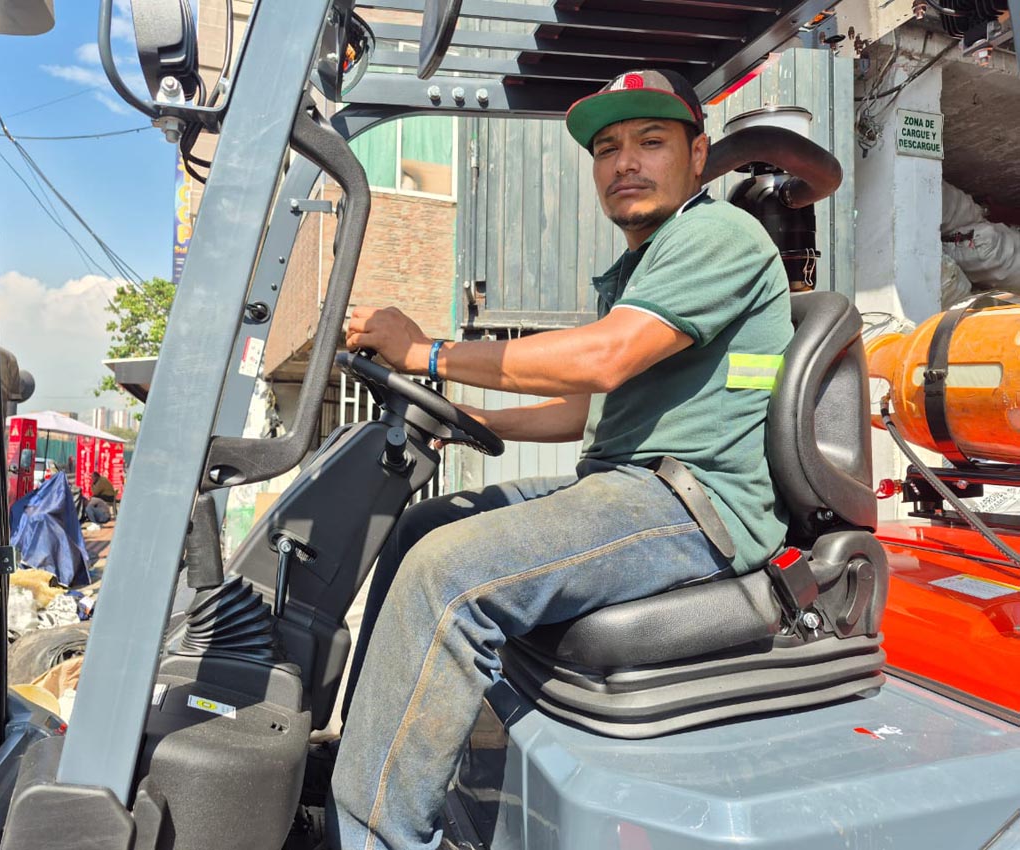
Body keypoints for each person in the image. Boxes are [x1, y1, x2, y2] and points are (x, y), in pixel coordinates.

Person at [328, 69, 793, 850]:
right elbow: (580, 410)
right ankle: (364, 759)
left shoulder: (717, 235)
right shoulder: (645, 267)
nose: (624, 163)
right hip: (630, 488)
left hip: (693, 505)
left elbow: (602, 361)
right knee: (424, 527)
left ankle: (376, 837)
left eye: (650, 141)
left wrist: (429, 352)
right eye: (606, 149)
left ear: (697, 154)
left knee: (447, 573)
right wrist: (467, 415)